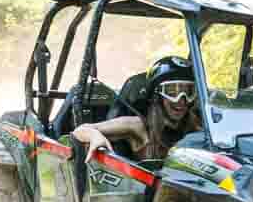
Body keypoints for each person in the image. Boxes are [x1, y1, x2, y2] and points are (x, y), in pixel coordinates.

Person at [73, 56, 202, 161]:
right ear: (156, 95)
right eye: (172, 92)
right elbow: (81, 130)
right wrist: (95, 137)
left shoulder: (196, 126)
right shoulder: (137, 125)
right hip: (142, 191)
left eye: (189, 92)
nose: (181, 100)